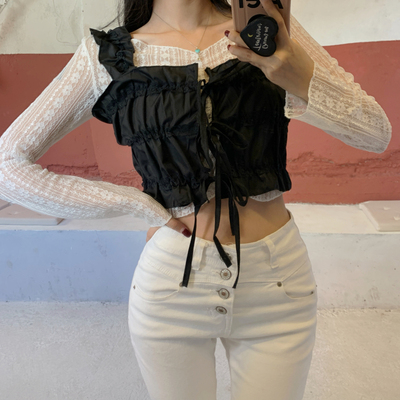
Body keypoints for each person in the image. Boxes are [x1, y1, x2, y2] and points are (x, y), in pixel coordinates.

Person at [0, 0, 392, 399]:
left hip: (278, 284)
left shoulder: (266, 30)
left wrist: (299, 77)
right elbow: (7, 165)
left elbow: (376, 133)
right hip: (171, 286)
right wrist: (136, 204)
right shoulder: (108, 56)